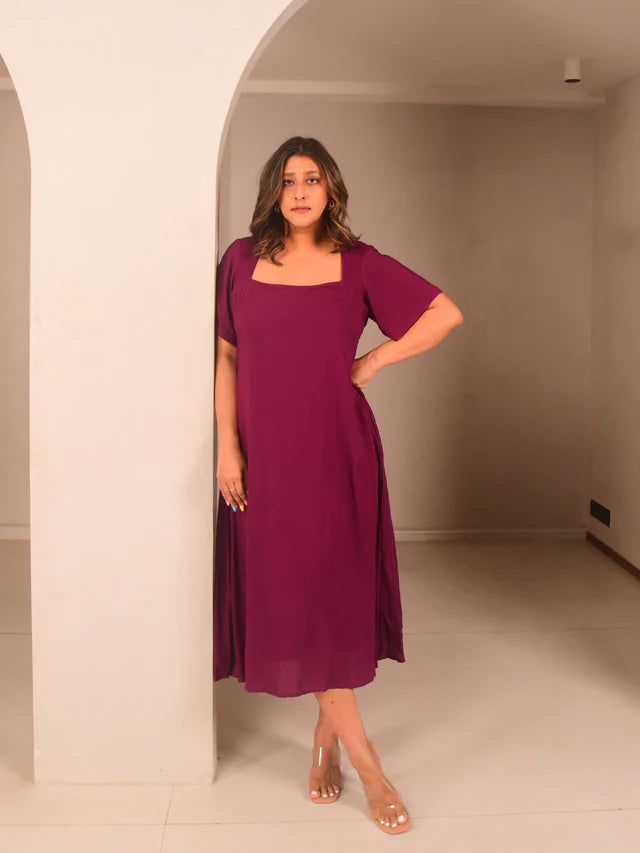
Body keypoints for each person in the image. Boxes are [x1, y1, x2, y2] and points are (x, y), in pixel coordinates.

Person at [213, 136, 463, 835]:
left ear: (331, 191)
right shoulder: (240, 259)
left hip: (336, 454)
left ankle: (360, 761)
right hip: (263, 459)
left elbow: (445, 313)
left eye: (313, 179)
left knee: (324, 598)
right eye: (289, 179)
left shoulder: (360, 262)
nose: (300, 192)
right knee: (293, 597)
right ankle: (339, 744)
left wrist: (374, 360)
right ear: (273, 190)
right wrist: (228, 446)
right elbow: (226, 355)